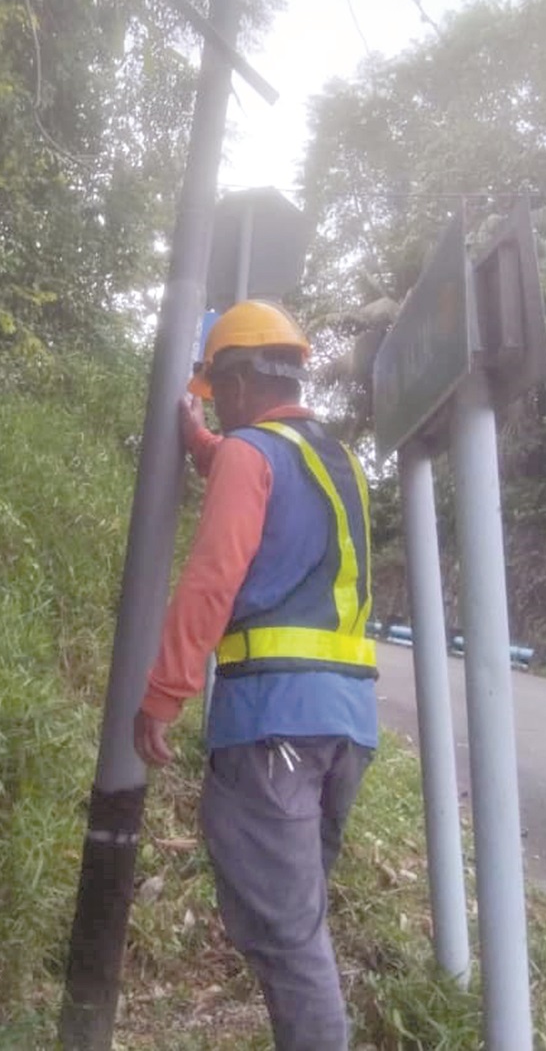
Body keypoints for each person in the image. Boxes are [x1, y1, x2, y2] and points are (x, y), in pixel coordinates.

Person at [134, 299, 378, 1051]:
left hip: (273, 725)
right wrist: (200, 440)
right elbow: (254, 479)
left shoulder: (253, 454)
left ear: (239, 381)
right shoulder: (333, 461)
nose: (221, 407)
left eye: (219, 392)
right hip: (344, 728)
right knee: (297, 924)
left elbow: (213, 577)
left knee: (289, 942)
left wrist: (163, 693)